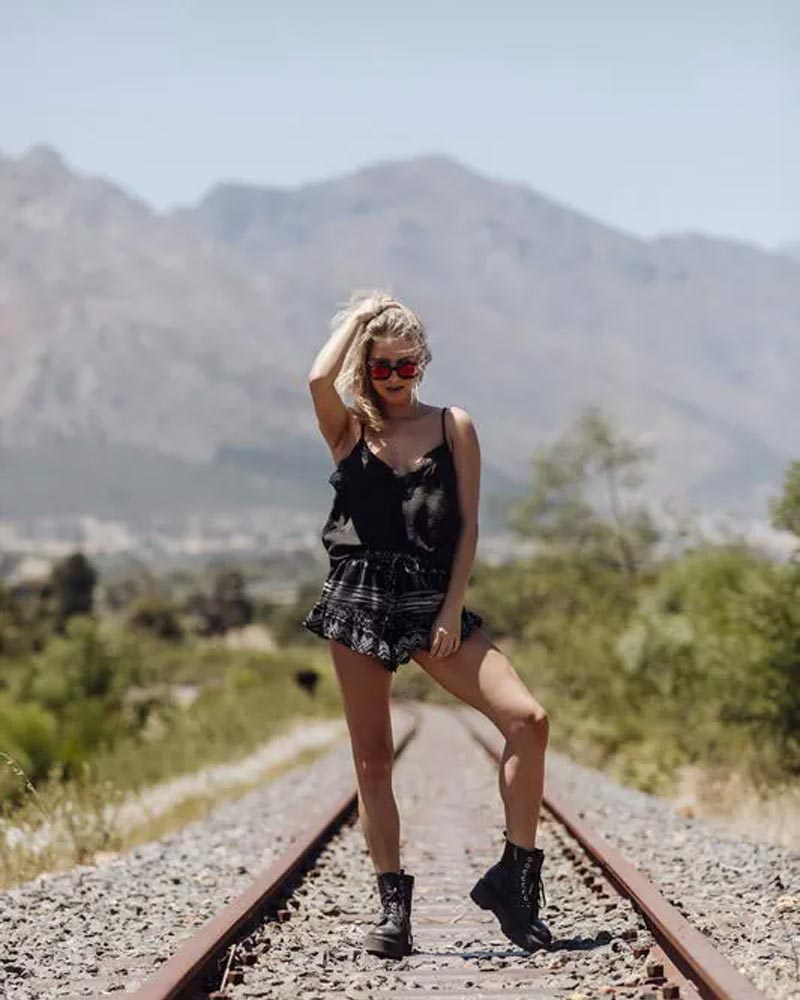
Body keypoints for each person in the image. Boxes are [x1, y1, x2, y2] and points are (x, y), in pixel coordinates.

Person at [301, 290, 552, 958]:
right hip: (357, 596)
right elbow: (316, 379)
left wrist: (449, 609)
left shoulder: (453, 426)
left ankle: (513, 879)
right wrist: (358, 318)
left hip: (430, 597)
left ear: (422, 363)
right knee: (372, 759)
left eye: (404, 365)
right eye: (380, 366)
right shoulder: (350, 429)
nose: (392, 377)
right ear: (366, 365)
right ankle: (392, 909)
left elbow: (469, 525)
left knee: (528, 720)